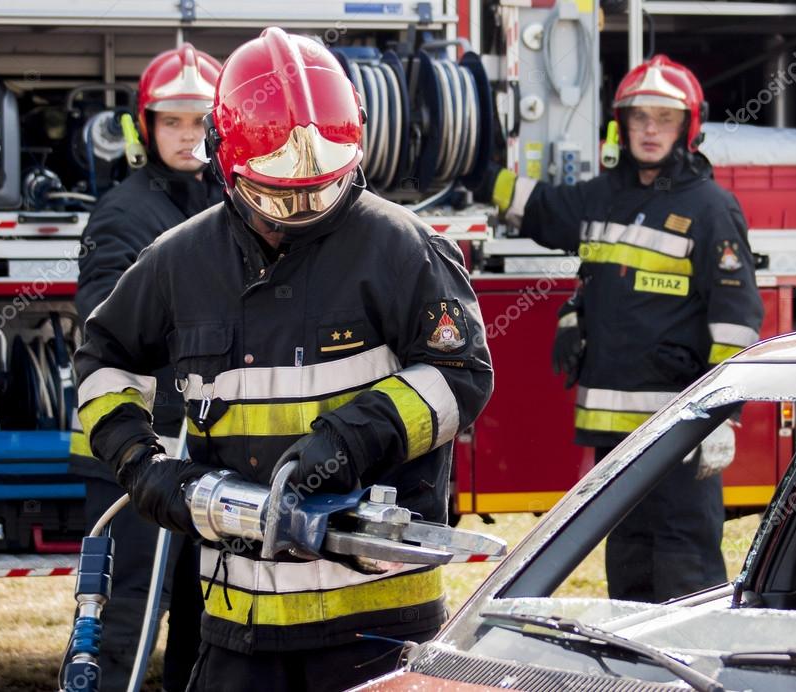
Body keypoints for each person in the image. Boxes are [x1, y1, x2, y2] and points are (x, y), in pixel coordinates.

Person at [73, 27, 493, 692]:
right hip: (237, 625)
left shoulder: (402, 249)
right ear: (224, 161)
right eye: (274, 195)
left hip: (377, 628)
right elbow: (103, 361)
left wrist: (351, 440)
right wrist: (141, 466)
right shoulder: (180, 262)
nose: (297, 210)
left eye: (318, 192)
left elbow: (460, 375)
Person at [477, 55, 763, 603]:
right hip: (616, 433)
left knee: (684, 566)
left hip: (680, 428)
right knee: (628, 564)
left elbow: (736, 320)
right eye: (639, 117)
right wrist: (474, 170)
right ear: (621, 124)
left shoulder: (711, 209)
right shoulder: (602, 196)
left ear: (688, 126)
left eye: (664, 117)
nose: (650, 130)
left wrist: (722, 420)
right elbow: (538, 208)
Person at [69, 43, 223, 691]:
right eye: (171, 122)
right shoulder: (126, 213)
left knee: (209, 615)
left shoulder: (239, 203)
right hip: (137, 446)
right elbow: (106, 324)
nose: (187, 136)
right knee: (127, 612)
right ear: (146, 126)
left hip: (214, 454)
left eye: (199, 121)